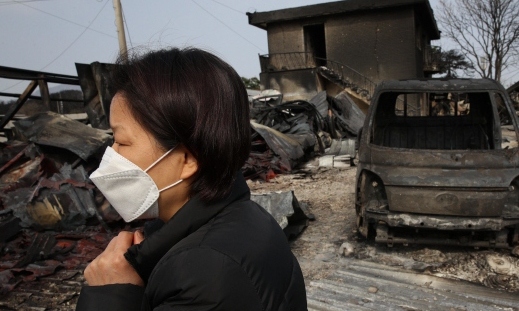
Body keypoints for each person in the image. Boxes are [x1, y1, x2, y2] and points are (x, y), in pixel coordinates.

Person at [75, 47, 307, 311]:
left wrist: (110, 295)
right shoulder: (243, 216)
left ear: (187, 160)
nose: (111, 155)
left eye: (122, 142)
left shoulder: (203, 274)